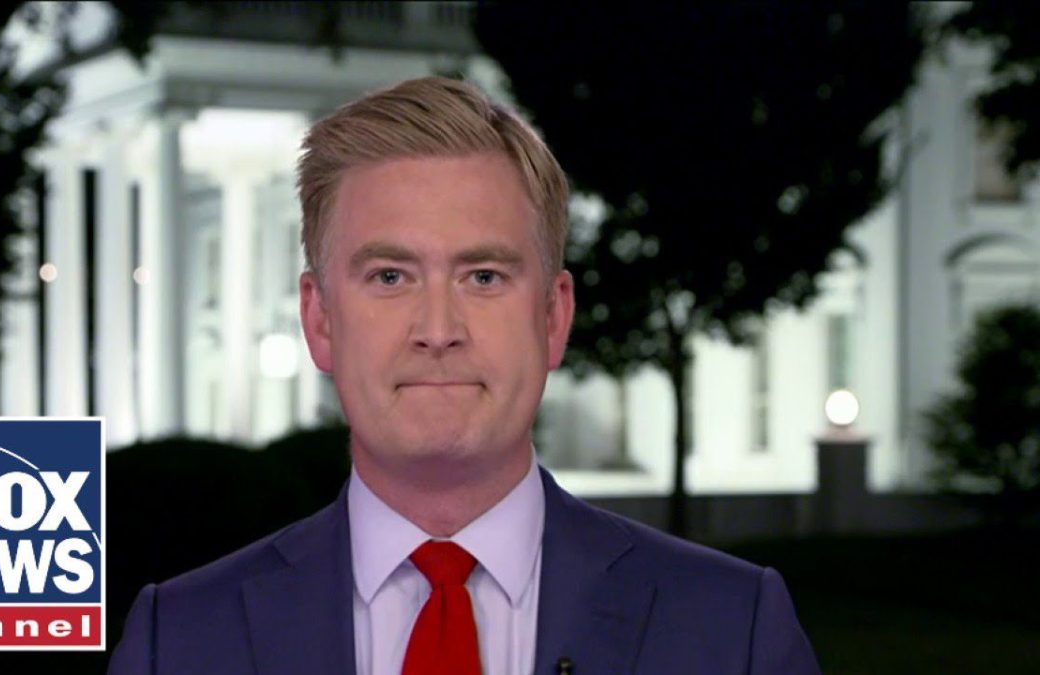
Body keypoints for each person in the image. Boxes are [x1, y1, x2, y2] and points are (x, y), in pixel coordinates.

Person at [107, 77, 820, 675]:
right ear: (320, 319)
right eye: (390, 276)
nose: (438, 329)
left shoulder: (735, 630)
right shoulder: (180, 640)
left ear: (552, 317)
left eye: (482, 276)